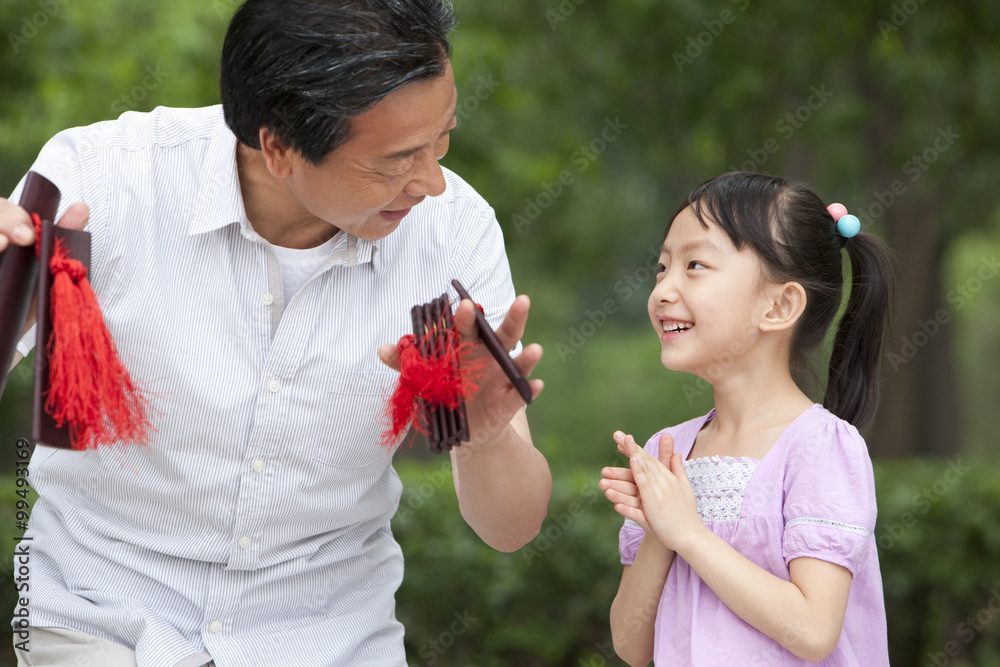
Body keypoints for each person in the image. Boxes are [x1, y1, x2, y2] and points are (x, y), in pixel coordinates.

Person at [1, 1, 552, 665]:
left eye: (442, 142)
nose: (431, 183)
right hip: (103, 619)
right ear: (279, 146)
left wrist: (486, 436)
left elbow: (511, 530)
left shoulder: (453, 235)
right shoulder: (104, 181)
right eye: (396, 160)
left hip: (330, 640)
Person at [598, 171, 893, 665]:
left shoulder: (820, 447)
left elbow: (814, 629)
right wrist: (659, 531)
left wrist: (687, 532)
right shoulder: (668, 451)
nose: (664, 290)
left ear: (779, 305)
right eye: (662, 266)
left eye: (694, 265)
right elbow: (632, 646)